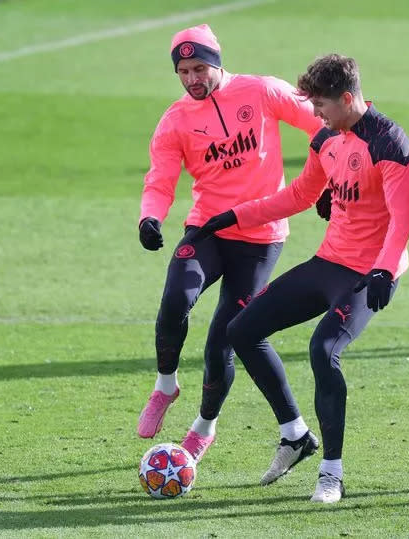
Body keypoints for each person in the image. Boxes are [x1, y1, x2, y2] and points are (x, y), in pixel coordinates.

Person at [194, 53, 409, 503]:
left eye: (321, 106)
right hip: (328, 261)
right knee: (242, 330)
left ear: (348, 98)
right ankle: (296, 434)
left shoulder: (389, 142)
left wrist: (386, 269)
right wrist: (235, 215)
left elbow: (402, 217)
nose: (315, 115)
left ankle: (331, 472)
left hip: (365, 273)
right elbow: (299, 194)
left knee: (323, 350)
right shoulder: (327, 140)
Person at [136, 23, 323, 463]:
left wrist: (330, 178)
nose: (192, 79)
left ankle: (204, 427)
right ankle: (166, 384)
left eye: (199, 67)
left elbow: (322, 123)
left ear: (217, 62)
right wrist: (150, 216)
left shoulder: (262, 91)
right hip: (207, 229)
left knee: (223, 339)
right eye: (183, 71)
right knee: (175, 298)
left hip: (260, 237)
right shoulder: (175, 120)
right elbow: (160, 180)